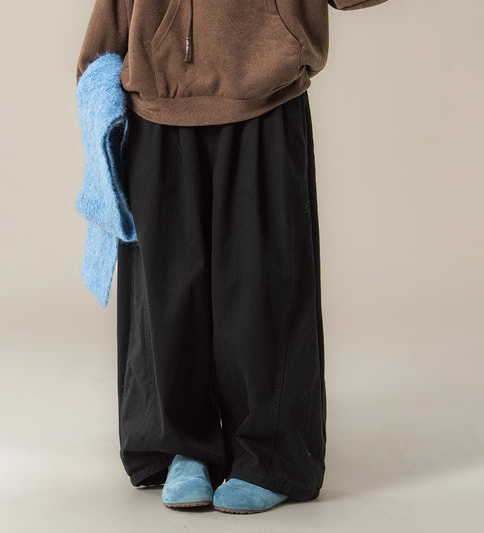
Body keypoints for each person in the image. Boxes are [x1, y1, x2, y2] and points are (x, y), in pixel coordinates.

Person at [75, 0, 389, 515]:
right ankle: (184, 447)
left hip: (266, 90)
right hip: (158, 100)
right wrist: (99, 62)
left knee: (262, 285)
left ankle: (269, 457)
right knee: (168, 293)